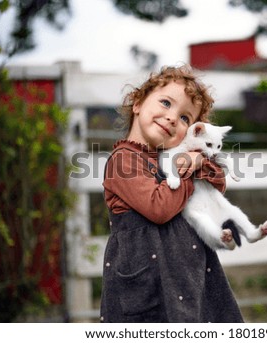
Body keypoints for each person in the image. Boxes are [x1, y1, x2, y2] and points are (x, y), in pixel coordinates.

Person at [100, 65, 244, 323]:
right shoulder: (123, 160)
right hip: (146, 282)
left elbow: (218, 182)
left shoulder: (173, 158)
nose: (172, 118)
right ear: (138, 103)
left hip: (187, 277)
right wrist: (190, 170)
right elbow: (159, 208)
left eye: (185, 118)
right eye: (165, 103)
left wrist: (198, 161)